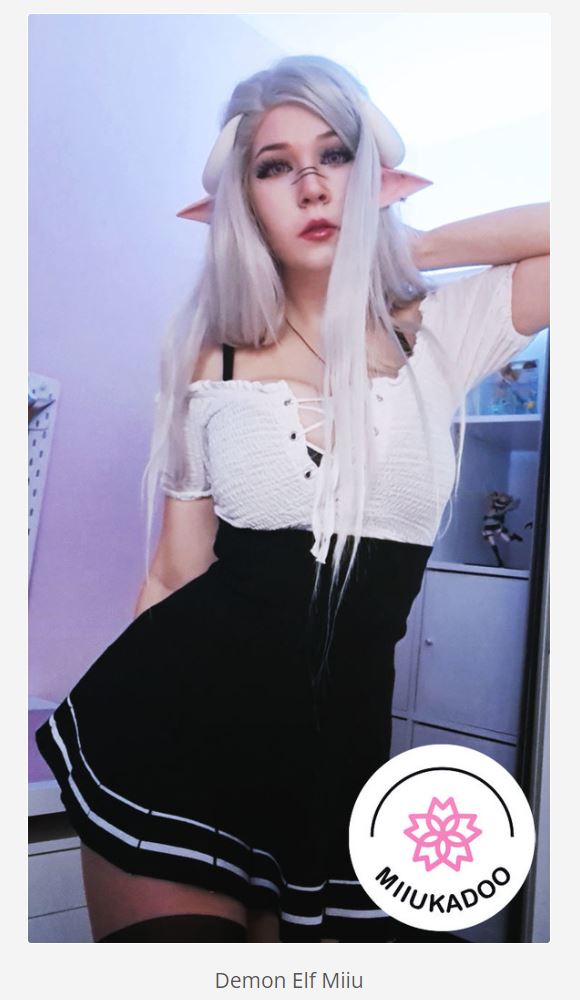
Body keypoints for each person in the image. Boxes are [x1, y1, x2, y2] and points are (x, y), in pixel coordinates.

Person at [36, 54, 549, 944]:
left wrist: (394, 250)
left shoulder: (439, 330)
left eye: (336, 154)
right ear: (245, 202)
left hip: (335, 772)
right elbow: (172, 575)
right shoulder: (214, 358)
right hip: (170, 738)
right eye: (275, 166)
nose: (311, 185)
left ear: (375, 177)